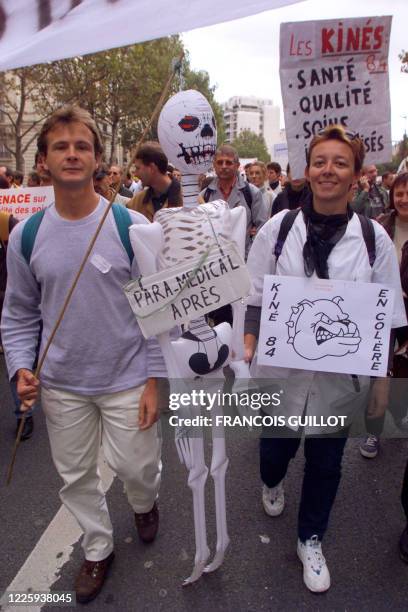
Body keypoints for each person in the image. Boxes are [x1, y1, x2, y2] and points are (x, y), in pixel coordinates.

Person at [1, 105, 164, 604]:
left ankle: (143, 501)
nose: (72, 154)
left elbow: (158, 306)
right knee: (75, 478)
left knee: (139, 469)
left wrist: (155, 380)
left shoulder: (128, 224)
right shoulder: (26, 236)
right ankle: (97, 548)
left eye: (82, 146)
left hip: (128, 378)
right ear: (45, 161)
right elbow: (19, 313)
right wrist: (20, 368)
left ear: (97, 159)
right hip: (63, 386)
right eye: (61, 146)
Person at [244, 125, 406, 593]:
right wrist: (250, 341)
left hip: (340, 384)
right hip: (280, 375)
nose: (328, 170)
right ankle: (272, 482)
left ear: (356, 176)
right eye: (320, 161)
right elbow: (255, 294)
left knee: (326, 463)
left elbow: (385, 318)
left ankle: (310, 537)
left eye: (340, 162)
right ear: (307, 170)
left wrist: (381, 382)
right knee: (274, 451)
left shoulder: (374, 241)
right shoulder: (279, 230)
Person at [359, 172, 408, 456]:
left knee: (402, 374)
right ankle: (373, 431)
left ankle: (400, 413)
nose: (404, 199)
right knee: (378, 372)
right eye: (400, 193)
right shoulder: (379, 227)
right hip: (380, 315)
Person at [199, 144, 267, 258]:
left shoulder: (252, 193)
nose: (224, 166)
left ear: (237, 165)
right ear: (214, 165)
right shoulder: (204, 195)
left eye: (229, 162)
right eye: (220, 162)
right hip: (215, 263)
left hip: (244, 260)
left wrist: (248, 254)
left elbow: (263, 228)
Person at [127, 142, 182, 222]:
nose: (136, 174)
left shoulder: (190, 199)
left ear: (152, 168)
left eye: (138, 168)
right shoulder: (136, 203)